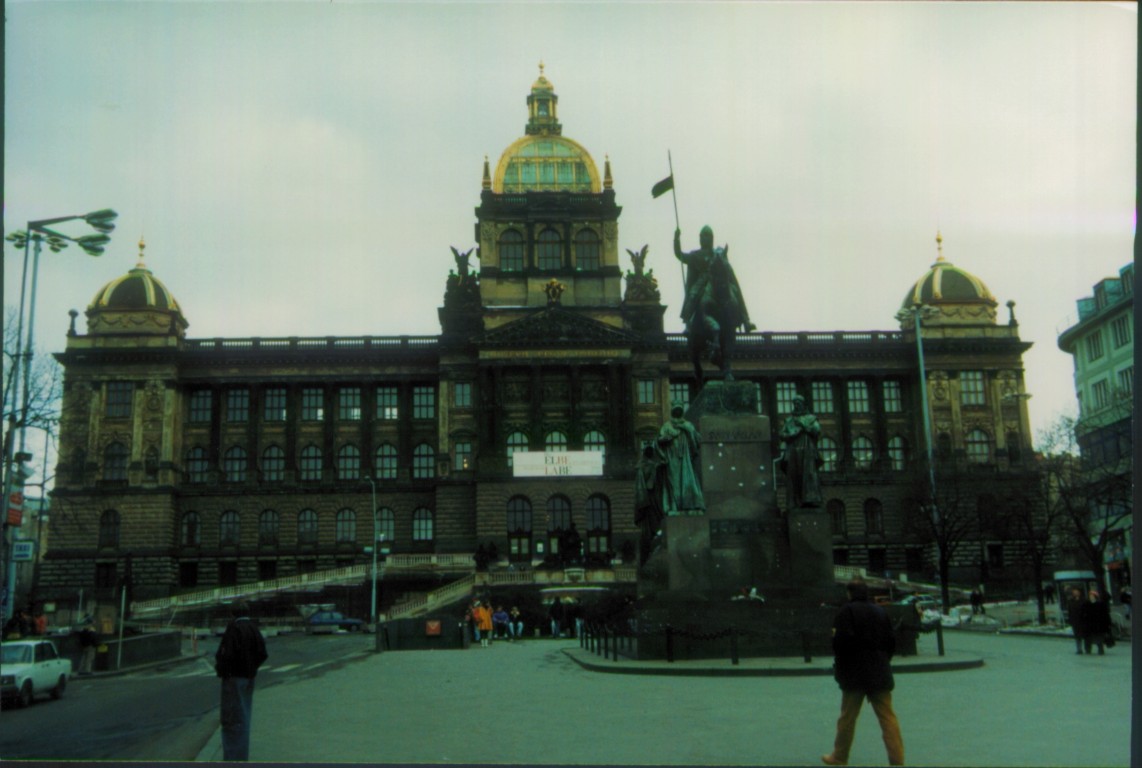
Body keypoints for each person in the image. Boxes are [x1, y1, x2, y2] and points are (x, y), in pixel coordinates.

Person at [822, 578, 904, 767]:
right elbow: (891, 642)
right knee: (888, 718)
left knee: (847, 718)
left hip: (854, 673)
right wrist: (883, 662)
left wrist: (841, 669)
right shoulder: (880, 611)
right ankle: (897, 760)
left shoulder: (846, 611)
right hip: (879, 671)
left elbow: (840, 644)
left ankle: (840, 757)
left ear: (849, 593)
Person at [214, 602, 268, 762]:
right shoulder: (253, 628)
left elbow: (226, 655)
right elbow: (263, 653)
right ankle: (241, 757)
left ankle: (232, 759)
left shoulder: (234, 628)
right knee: (243, 718)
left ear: (232, 614)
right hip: (248, 677)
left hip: (233, 678)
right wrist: (251, 669)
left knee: (232, 720)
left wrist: (223, 670)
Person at [657, 402, 705, 515]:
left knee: (688, 482)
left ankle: (690, 506)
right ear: (673, 411)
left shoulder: (688, 424)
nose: (677, 412)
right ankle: (674, 507)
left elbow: (697, 439)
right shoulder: (667, 425)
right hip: (672, 458)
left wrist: (686, 429)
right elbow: (659, 440)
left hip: (685, 459)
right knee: (673, 483)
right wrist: (667, 437)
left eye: (679, 410)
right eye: (675, 410)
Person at [778, 395, 823, 509]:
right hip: (793, 451)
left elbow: (817, 431)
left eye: (799, 403)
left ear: (803, 405)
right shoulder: (789, 420)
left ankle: (810, 500)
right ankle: (794, 501)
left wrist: (804, 426)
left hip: (807, 450)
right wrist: (792, 434)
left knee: (808, 475)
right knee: (793, 476)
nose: (797, 406)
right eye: (795, 404)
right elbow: (782, 435)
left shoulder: (811, 418)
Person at [1080, 590, 1111, 655]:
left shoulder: (1101, 604)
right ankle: (1088, 649)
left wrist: (1107, 623)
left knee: (1099, 638)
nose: (1091, 597)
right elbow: (1082, 614)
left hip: (1098, 624)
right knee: (1088, 638)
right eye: (1090, 596)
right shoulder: (1086, 604)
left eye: (1092, 596)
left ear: (1095, 597)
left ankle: (1100, 649)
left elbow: (1105, 615)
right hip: (1089, 625)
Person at [1065, 588, 1087, 655]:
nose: (1076, 593)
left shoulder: (1084, 600)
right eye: (1074, 592)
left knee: (1086, 635)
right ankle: (1079, 649)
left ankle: (1087, 648)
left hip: (1083, 621)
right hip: (1075, 621)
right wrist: (1070, 620)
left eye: (1077, 592)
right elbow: (1070, 611)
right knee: (1077, 636)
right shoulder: (1071, 601)